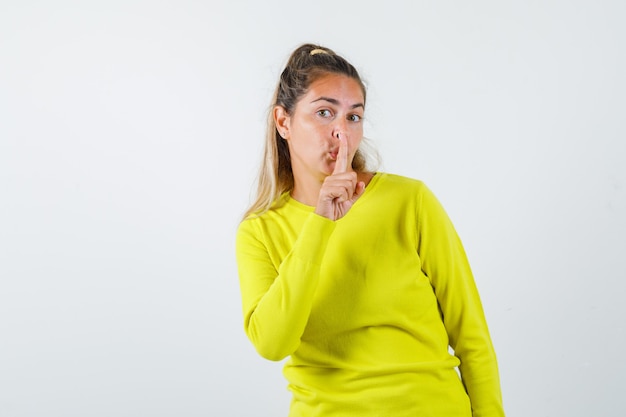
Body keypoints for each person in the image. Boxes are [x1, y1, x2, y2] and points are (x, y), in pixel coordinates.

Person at [235, 43, 505, 417]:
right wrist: (321, 223)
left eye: (353, 117)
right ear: (284, 122)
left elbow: (472, 339)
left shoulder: (410, 201)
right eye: (324, 113)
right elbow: (272, 343)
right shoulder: (260, 231)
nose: (340, 134)